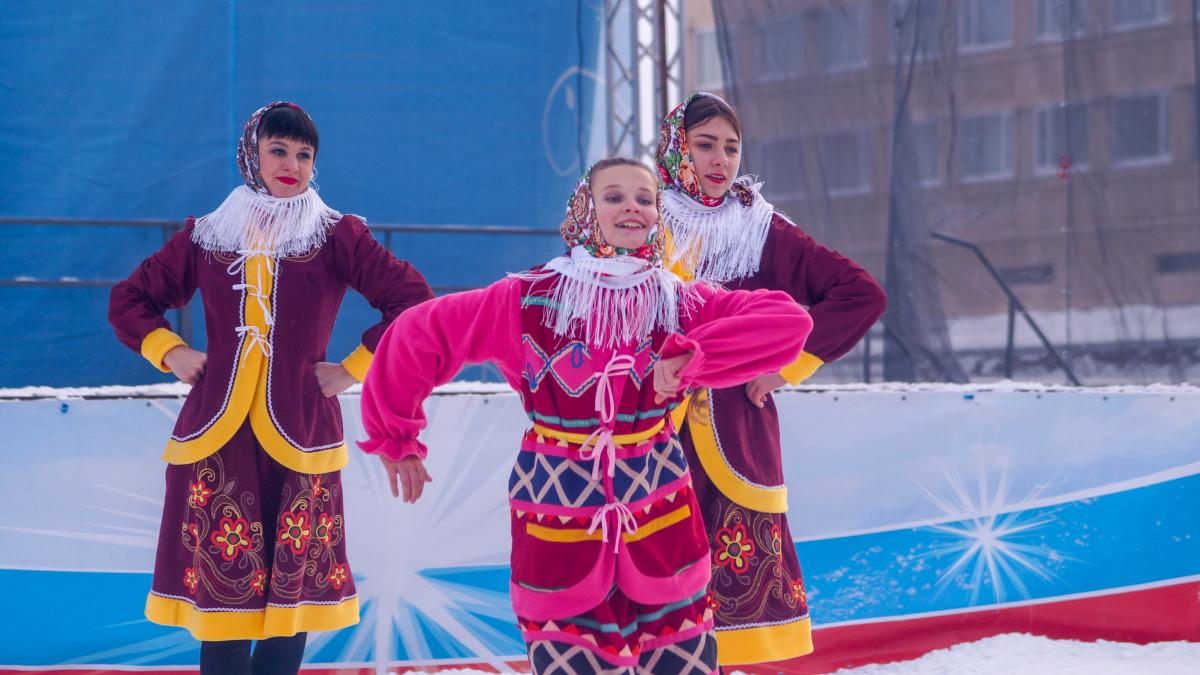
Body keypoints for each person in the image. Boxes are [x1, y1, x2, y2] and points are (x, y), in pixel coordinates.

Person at [359, 157, 813, 674]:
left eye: (644, 199)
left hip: (662, 526)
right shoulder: (528, 299)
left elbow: (787, 323)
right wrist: (396, 436)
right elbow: (420, 334)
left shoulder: (677, 302)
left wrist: (695, 355)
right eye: (614, 197)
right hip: (558, 527)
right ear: (584, 209)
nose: (631, 208)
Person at [109, 101, 434, 674]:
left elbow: (413, 302)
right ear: (250, 156)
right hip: (216, 439)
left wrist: (353, 367)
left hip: (302, 434)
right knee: (222, 599)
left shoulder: (336, 234)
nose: (292, 164)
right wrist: (172, 351)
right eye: (278, 150)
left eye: (304, 155)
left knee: (292, 599)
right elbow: (130, 300)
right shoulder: (209, 234)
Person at [656, 92, 887, 667]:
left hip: (732, 431)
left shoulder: (759, 227)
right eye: (704, 144)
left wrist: (785, 366)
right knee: (649, 585)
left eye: (731, 148)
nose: (720, 159)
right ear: (676, 149)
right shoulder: (641, 216)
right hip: (647, 427)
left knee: (730, 604)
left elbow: (860, 294)